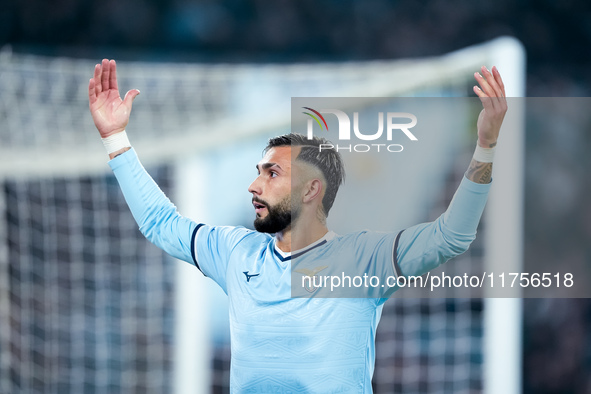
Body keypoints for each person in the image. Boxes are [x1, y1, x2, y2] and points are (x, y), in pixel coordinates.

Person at [88, 59, 507, 392]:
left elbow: (451, 236)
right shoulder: (237, 253)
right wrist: (116, 140)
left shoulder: (365, 260)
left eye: (272, 174)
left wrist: (486, 146)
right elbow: (161, 223)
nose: (254, 185)